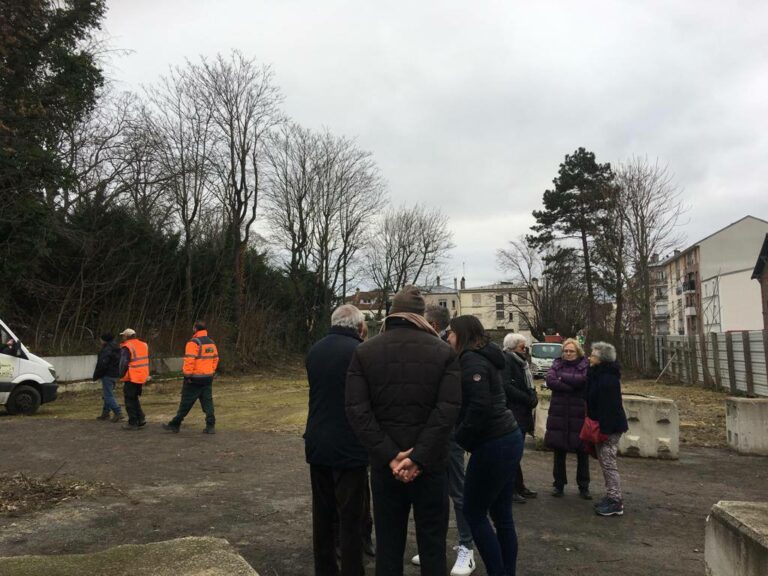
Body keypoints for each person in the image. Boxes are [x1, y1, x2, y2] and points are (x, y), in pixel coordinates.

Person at [346, 285, 461, 576]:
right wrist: (418, 457)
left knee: (388, 546)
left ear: (392, 313)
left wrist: (391, 456)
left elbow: (357, 411)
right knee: (433, 546)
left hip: (387, 468)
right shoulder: (445, 352)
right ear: (422, 316)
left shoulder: (364, 351)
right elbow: (447, 410)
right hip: (431, 466)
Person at [448, 315, 523, 576]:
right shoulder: (489, 356)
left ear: (463, 335)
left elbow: (479, 406)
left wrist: (461, 438)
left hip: (493, 443)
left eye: (452, 333)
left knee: (473, 511)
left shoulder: (471, 361)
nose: (448, 337)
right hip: (508, 437)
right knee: (502, 515)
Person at [305, 304, 370, 576]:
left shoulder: (315, 350)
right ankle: (353, 570)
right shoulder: (360, 352)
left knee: (323, 514)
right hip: (350, 444)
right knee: (351, 517)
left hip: (318, 439)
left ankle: (325, 568)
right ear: (358, 326)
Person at [410, 304, 475, 576]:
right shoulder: (427, 349)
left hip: (447, 435)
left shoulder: (447, 353)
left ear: (433, 325)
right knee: (430, 493)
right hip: (426, 435)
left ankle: (466, 548)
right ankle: (432, 546)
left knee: (457, 491)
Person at [586, 342, 629, 517]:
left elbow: (609, 407)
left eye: (593, 356)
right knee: (605, 463)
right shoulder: (598, 374)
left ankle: (616, 501)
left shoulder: (608, 379)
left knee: (609, 463)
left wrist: (604, 430)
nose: (590, 358)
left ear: (601, 359)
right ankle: (611, 496)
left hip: (608, 427)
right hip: (603, 425)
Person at [544, 338, 591, 498]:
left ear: (578, 352)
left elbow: (584, 380)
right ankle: (558, 484)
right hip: (559, 413)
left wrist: (562, 379)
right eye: (566, 351)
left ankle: (583, 486)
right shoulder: (556, 363)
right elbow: (550, 381)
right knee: (559, 450)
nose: (568, 354)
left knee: (582, 451)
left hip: (579, 413)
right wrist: (572, 386)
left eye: (571, 351)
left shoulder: (585, 365)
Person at [163, 321, 219, 434]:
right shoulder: (211, 343)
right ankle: (210, 425)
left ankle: (175, 424)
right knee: (207, 402)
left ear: (195, 329)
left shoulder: (193, 343)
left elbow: (189, 360)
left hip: (194, 379)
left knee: (186, 402)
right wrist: (211, 371)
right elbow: (216, 359)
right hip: (207, 378)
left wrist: (187, 375)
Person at [501, 333, 538, 503]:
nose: (525, 351)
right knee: (512, 453)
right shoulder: (508, 361)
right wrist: (527, 397)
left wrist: (532, 395)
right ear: (513, 348)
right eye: (522, 347)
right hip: (514, 412)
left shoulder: (521, 363)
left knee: (516, 453)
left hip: (521, 411)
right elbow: (507, 386)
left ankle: (519, 486)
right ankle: (512, 488)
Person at [119, 328, 150, 431]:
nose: (122, 337)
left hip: (132, 376)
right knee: (134, 398)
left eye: (123, 335)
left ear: (127, 336)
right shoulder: (144, 345)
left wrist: (120, 375)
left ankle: (133, 422)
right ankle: (140, 418)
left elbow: (123, 363)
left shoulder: (127, 346)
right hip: (142, 376)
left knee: (129, 400)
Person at [92, 333, 123, 422]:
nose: (100, 341)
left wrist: (97, 374)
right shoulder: (116, 348)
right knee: (108, 394)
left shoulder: (106, 350)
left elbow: (102, 364)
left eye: (101, 339)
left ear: (105, 340)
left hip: (107, 374)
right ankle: (105, 413)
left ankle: (118, 412)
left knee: (108, 395)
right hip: (115, 374)